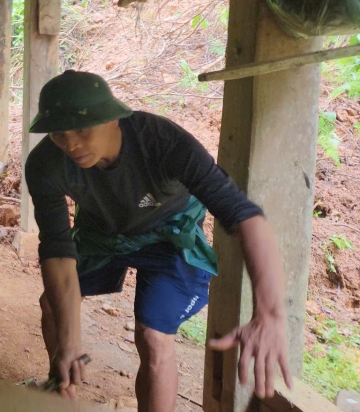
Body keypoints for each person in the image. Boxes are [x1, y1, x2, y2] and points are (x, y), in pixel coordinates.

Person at [25, 70, 291, 411]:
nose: (71, 144)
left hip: (169, 235)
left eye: (82, 130)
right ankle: (60, 386)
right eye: (60, 134)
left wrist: (270, 313)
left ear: (113, 120)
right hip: (104, 232)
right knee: (54, 306)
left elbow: (245, 216)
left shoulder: (164, 143)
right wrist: (69, 338)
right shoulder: (46, 163)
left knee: (153, 337)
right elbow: (57, 249)